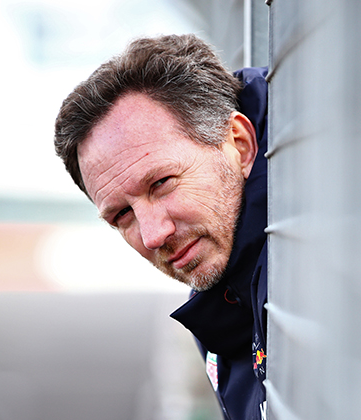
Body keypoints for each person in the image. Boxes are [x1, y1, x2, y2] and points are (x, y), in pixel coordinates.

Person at [54, 34, 269, 420]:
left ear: (239, 144)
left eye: (162, 183)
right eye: (122, 215)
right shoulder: (221, 302)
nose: (154, 235)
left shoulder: (324, 246)